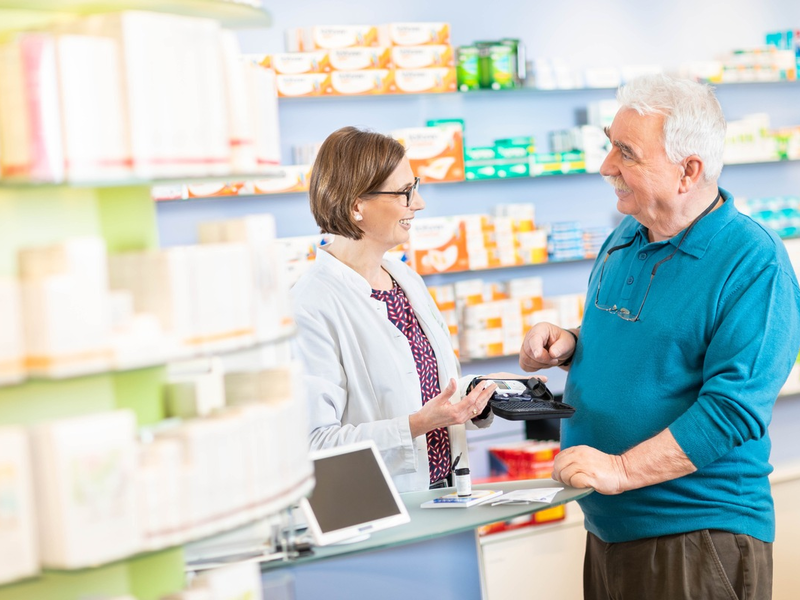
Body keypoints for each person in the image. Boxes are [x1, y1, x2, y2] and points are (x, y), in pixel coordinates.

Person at [519, 74, 800, 600]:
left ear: (687, 171)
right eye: (609, 144)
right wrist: (575, 341)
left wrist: (621, 469)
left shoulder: (754, 263)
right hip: (609, 527)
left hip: (695, 538)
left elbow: (732, 410)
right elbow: (652, 335)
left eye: (625, 152)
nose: (606, 167)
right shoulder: (631, 230)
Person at [291, 125, 499, 493]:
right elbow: (315, 443)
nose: (418, 204)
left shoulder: (405, 279)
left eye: (414, 187)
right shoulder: (311, 304)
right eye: (405, 193)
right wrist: (416, 425)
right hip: (380, 513)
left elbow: (419, 389)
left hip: (448, 494)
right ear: (357, 205)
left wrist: (479, 397)